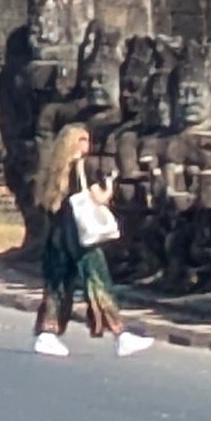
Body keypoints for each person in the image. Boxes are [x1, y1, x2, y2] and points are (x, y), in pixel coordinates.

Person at [37, 139, 136, 356]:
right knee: (99, 280)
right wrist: (109, 185)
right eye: (82, 139)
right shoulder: (83, 167)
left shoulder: (55, 172)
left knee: (59, 284)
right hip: (81, 237)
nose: (88, 144)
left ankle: (47, 333)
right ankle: (121, 334)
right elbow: (98, 198)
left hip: (59, 235)